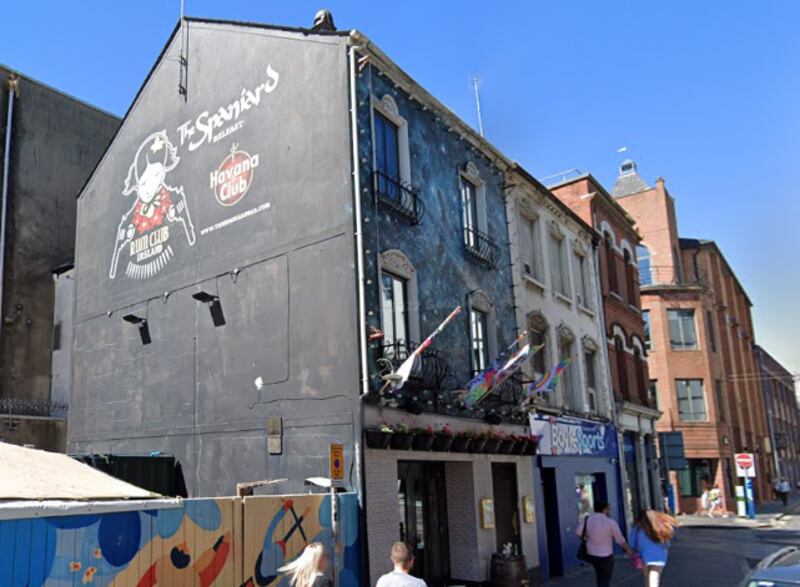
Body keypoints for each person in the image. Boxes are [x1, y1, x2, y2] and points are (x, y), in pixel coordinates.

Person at [576, 501, 634, 587]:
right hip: (606, 555)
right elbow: (620, 540)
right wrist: (629, 551)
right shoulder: (610, 522)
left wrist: (587, 537)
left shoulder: (587, 520)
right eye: (608, 509)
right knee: (605, 579)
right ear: (605, 509)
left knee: (599, 575)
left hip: (591, 554)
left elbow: (578, 533)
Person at [631, 509, 677, 587]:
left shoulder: (637, 528)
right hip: (660, 557)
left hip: (644, 556)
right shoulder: (660, 527)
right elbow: (667, 544)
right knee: (654, 579)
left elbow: (633, 543)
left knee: (647, 580)